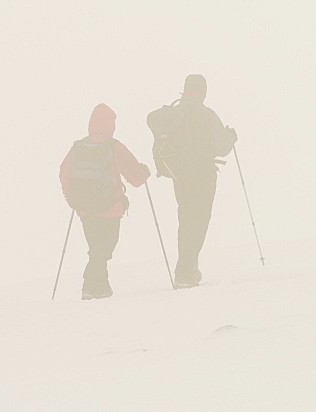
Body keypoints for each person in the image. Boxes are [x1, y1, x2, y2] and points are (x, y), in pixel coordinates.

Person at [59, 103, 150, 300]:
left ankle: (97, 286)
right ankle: (93, 287)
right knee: (104, 249)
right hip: (110, 208)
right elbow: (136, 178)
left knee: (96, 248)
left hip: (84, 209)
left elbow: (63, 171)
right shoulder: (114, 147)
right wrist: (145, 173)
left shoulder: (78, 147)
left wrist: (71, 198)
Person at [157, 74, 237, 288]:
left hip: (180, 175)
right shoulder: (206, 114)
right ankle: (186, 270)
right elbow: (222, 147)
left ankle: (186, 268)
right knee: (199, 220)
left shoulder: (174, 114)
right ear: (203, 92)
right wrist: (231, 137)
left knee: (185, 219)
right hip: (202, 175)